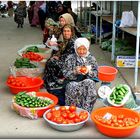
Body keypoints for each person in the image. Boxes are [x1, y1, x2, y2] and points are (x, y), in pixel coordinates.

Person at [43, 24, 76, 105]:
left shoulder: (73, 42)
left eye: (68, 31)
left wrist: (58, 57)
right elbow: (63, 49)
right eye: (64, 31)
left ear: (72, 32)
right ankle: (50, 79)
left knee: (51, 62)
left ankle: (53, 80)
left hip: (70, 64)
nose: (66, 33)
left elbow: (69, 57)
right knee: (52, 57)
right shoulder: (66, 40)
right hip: (65, 60)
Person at [62, 38, 98, 113]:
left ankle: (86, 112)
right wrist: (74, 72)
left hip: (86, 81)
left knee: (90, 83)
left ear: (87, 48)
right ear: (75, 48)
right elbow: (65, 73)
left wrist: (89, 72)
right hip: (72, 81)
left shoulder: (91, 59)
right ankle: (72, 111)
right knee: (72, 86)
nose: (81, 52)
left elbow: (96, 73)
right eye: (79, 49)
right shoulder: (70, 58)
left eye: (84, 49)